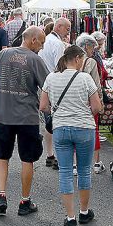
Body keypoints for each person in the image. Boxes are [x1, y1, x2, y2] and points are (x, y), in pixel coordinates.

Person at [0, 27, 50, 216]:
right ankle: (24, 200)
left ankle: (2, 195)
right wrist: (47, 109)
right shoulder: (35, 60)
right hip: (26, 116)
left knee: (2, 156)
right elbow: (47, 87)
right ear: (32, 40)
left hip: (2, 114)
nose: (42, 46)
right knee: (27, 159)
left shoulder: (4, 54)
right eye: (42, 42)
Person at [41, 46, 102, 226]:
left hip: (60, 128)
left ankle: (70, 217)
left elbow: (43, 105)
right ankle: (84, 212)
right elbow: (97, 107)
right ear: (76, 59)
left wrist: (57, 112)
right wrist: (84, 112)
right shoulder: (85, 78)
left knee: (65, 172)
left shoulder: (51, 78)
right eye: (82, 59)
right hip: (84, 128)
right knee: (84, 170)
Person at [40, 17, 71, 169]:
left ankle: (50, 154)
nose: (68, 33)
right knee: (57, 122)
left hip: (43, 84)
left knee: (49, 123)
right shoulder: (57, 43)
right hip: (55, 85)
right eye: (67, 29)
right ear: (59, 27)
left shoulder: (44, 40)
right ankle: (58, 157)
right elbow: (61, 67)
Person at [76, 33, 107, 173]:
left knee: (75, 130)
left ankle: (75, 165)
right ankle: (96, 163)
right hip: (89, 101)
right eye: (92, 47)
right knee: (93, 130)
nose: (93, 50)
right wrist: (100, 101)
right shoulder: (90, 62)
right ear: (87, 46)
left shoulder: (69, 59)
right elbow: (96, 85)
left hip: (74, 101)